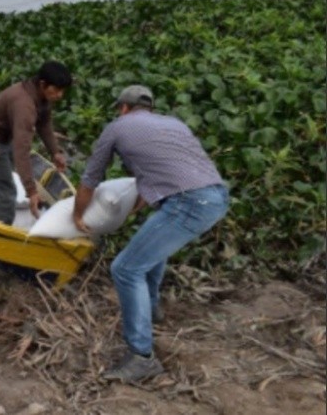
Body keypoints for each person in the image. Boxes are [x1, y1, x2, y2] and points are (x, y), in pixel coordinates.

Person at [73, 84, 229, 383]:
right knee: (152, 246)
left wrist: (78, 215)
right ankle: (152, 309)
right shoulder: (174, 125)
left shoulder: (117, 128)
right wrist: (133, 209)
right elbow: (160, 172)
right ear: (150, 108)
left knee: (125, 269)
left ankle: (141, 357)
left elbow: (91, 178)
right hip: (216, 196)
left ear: (123, 108)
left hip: (189, 203)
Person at [0, 60, 71, 224]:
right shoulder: (25, 106)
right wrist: (31, 191)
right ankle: (2, 225)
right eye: (57, 90)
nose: (60, 95)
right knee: (5, 189)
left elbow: (44, 124)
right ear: (43, 84)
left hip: (4, 134)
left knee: (3, 165)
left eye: (62, 90)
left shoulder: (40, 93)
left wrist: (55, 152)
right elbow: (21, 152)